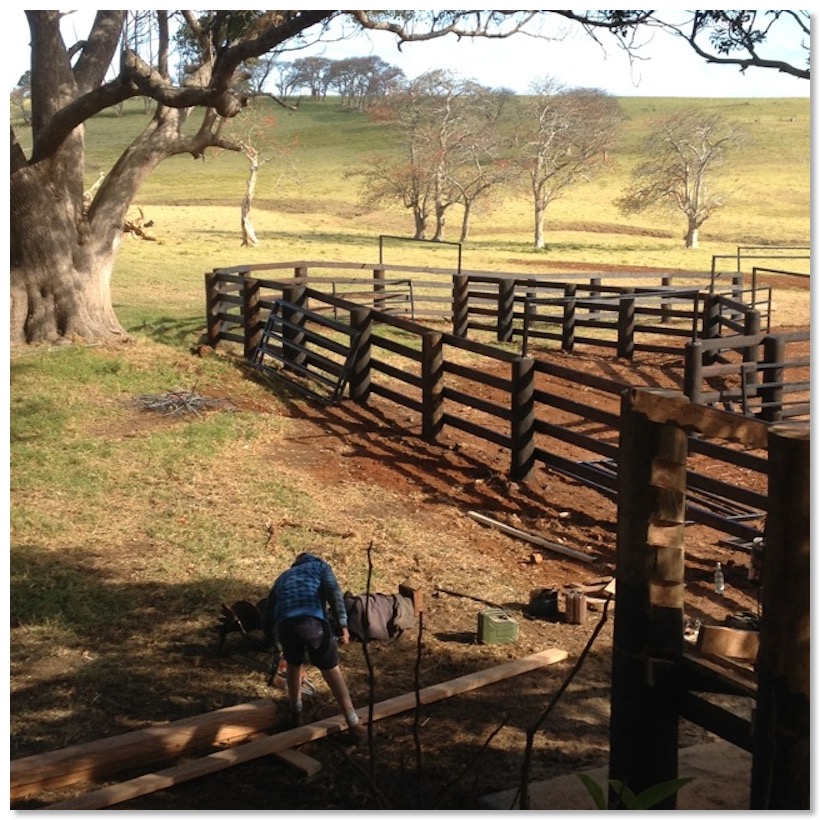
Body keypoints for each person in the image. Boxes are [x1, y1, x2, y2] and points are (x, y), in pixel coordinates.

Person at [263, 552, 367, 745]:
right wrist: (343, 625)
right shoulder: (321, 568)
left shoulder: (284, 576)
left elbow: (268, 613)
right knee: (331, 670)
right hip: (311, 622)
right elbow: (334, 594)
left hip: (285, 624)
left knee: (294, 665)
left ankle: (296, 715)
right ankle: (355, 726)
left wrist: (276, 643)